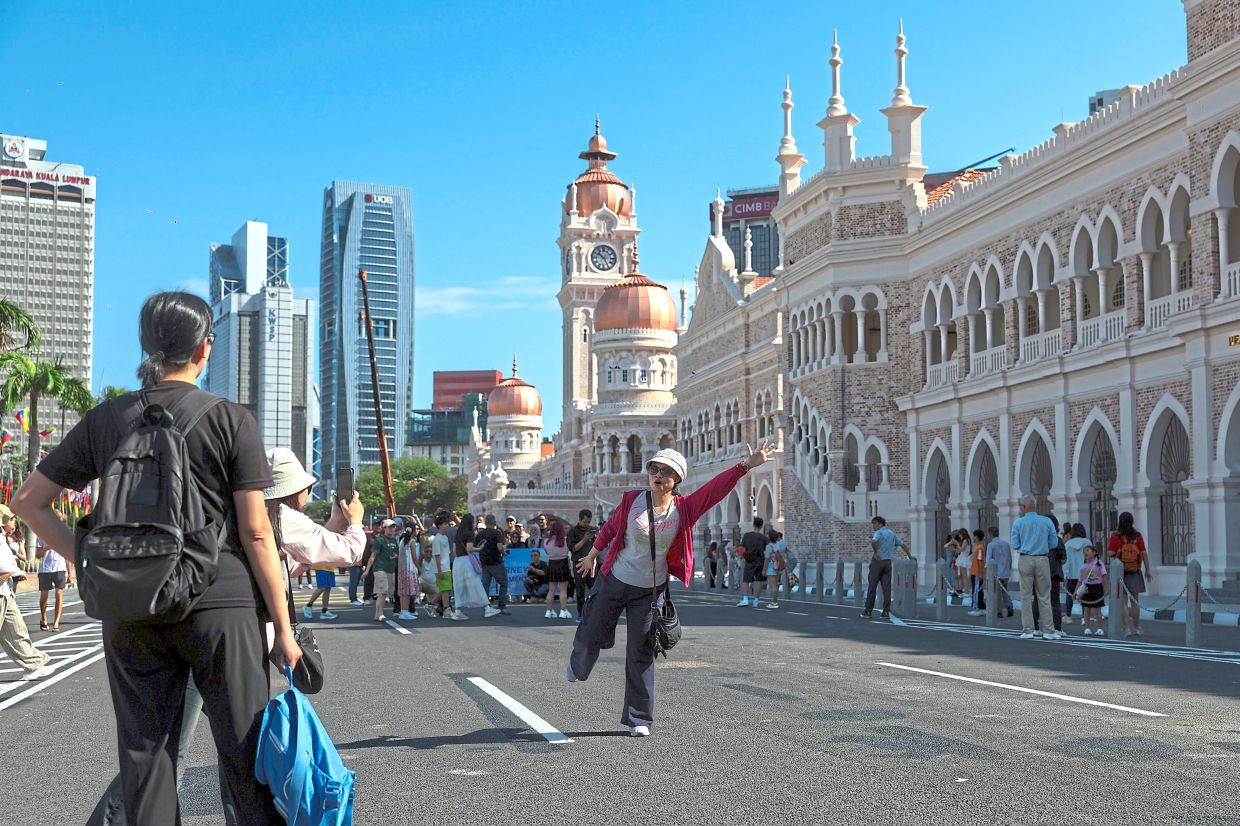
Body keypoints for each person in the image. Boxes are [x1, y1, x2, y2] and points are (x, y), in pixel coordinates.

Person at [13, 290, 299, 825]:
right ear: (204, 349)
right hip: (221, 601)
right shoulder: (230, 419)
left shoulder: (108, 419)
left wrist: (93, 561)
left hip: (132, 604)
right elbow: (257, 533)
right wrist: (283, 628)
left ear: (147, 346)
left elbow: (26, 502)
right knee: (245, 756)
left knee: (146, 758)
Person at [569, 441, 775, 737]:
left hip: (649, 591)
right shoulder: (632, 500)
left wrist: (746, 465)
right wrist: (591, 554)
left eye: (666, 471)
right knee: (592, 630)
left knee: (641, 652)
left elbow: (715, 490)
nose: (658, 474)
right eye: (654, 468)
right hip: (615, 579)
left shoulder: (684, 508)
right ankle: (579, 666)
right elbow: (612, 528)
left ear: (677, 479)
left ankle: (639, 718)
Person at [0, 512, 52, 679]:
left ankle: (33, 665)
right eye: (12, 518)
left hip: (6, 592)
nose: (14, 521)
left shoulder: (3, 538)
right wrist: (18, 571)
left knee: (17, 631)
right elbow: (4, 566)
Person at [1010, 495, 1061, 640]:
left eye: (1021, 506)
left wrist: (1026, 547)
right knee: (1044, 596)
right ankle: (1049, 631)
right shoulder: (1047, 521)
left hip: (1025, 558)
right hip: (1042, 558)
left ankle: (1028, 630)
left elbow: (1015, 544)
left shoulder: (1018, 523)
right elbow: (1053, 542)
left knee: (1026, 596)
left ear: (1024, 507)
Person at [1107, 511, 1153, 637]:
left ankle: (1126, 628)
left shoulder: (1115, 536)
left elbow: (1110, 553)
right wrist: (1148, 570)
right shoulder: (1137, 535)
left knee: (1123, 602)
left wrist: (1118, 551)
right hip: (1134, 571)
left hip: (1120, 572)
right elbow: (1143, 553)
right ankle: (1137, 627)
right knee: (1135, 601)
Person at [862, 515, 912, 619]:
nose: (873, 526)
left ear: (880, 523)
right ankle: (885, 612)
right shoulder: (891, 533)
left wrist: (875, 552)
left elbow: (874, 541)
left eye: (874, 524)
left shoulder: (878, 532)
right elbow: (902, 544)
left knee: (872, 587)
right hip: (887, 563)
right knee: (886, 589)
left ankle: (868, 611)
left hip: (877, 562)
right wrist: (910, 556)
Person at [450, 512, 490, 620]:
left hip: (457, 562)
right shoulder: (469, 533)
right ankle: (487, 608)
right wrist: (479, 548)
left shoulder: (458, 533)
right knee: (475, 583)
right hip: (466, 561)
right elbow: (469, 549)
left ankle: (458, 611)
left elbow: (454, 550)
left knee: (459, 586)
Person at [36, 510, 70, 631]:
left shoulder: (64, 534)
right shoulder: (42, 533)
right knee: (44, 596)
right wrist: (47, 548)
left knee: (59, 595)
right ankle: (44, 618)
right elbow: (37, 554)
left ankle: (56, 623)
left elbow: (67, 555)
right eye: (57, 517)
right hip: (45, 569)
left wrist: (70, 573)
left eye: (61, 518)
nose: (60, 520)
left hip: (60, 568)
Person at [361, 519, 399, 622]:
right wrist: (367, 570)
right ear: (384, 528)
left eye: (393, 527)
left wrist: (395, 556)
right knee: (382, 591)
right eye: (390, 527)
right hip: (380, 569)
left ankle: (377, 614)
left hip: (390, 569)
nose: (392, 529)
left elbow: (396, 553)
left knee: (386, 593)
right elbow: (373, 556)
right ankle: (380, 613)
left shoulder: (394, 540)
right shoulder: (380, 540)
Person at [475, 514, 509, 618]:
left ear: (485, 522)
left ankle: (487, 607)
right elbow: (499, 547)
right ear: (494, 522)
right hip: (495, 562)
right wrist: (504, 552)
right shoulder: (496, 533)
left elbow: (477, 546)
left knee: (486, 585)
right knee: (503, 582)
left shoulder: (480, 534)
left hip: (484, 562)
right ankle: (502, 606)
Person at [567, 509, 597, 622]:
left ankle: (594, 612)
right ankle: (581, 614)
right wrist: (584, 539)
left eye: (589, 522)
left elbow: (596, 545)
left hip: (590, 562)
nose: (587, 524)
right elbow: (573, 549)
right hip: (579, 563)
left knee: (594, 589)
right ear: (580, 519)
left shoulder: (592, 530)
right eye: (585, 522)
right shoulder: (572, 532)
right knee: (580, 590)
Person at [424, 515, 453, 617]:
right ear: (439, 526)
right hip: (440, 568)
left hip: (446, 567)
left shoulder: (445, 537)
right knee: (445, 589)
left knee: (445, 589)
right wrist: (439, 570)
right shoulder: (437, 539)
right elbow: (436, 555)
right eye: (445, 524)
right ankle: (446, 609)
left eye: (448, 524)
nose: (447, 526)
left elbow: (447, 553)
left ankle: (431, 604)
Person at [542, 520, 572, 618]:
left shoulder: (546, 541)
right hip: (563, 564)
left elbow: (546, 552)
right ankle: (563, 611)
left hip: (552, 564)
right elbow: (569, 551)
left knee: (551, 590)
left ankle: (548, 611)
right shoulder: (566, 540)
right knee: (563, 590)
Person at [1076, 544, 1107, 636]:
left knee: (1097, 609)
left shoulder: (1099, 564)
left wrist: (1105, 590)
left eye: (1088, 550)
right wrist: (1075, 593)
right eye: (1084, 551)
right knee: (1086, 609)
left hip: (1097, 588)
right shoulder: (1083, 567)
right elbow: (1079, 581)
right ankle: (1087, 628)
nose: (1085, 552)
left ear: (1094, 552)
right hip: (1086, 588)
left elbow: (1104, 577)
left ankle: (1100, 628)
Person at [1063, 523, 1090, 623]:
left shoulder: (1068, 544)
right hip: (1084, 574)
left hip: (1071, 574)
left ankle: (1068, 616)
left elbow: (1067, 561)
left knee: (1069, 595)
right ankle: (1084, 617)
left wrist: (1065, 574)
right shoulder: (1087, 542)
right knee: (1084, 595)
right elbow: (1090, 558)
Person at [736, 517, 767, 607]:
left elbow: (742, 547)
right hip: (760, 560)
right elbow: (766, 549)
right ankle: (756, 601)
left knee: (746, 580)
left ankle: (745, 599)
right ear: (761, 526)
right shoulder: (763, 538)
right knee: (758, 580)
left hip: (749, 560)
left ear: (753, 525)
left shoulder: (746, 535)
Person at [985, 526, 1014, 618]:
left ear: (990, 534)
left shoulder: (990, 545)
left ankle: (998, 611)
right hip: (1005, 572)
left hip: (996, 573)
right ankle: (1009, 606)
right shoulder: (1006, 544)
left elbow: (989, 560)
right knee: (1005, 590)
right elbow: (1010, 558)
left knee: (996, 592)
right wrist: (1009, 569)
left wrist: (988, 573)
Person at [396, 520, 421, 620]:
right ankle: (405, 611)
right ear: (414, 531)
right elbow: (414, 557)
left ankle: (403, 610)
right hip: (409, 569)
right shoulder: (412, 541)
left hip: (402, 569)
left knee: (403, 591)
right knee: (407, 591)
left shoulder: (402, 540)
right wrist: (419, 568)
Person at [967, 528, 987, 617]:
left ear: (976, 537)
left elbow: (979, 561)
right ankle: (981, 607)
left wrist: (979, 573)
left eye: (973, 536)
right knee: (978, 590)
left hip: (976, 573)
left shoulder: (979, 548)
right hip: (976, 572)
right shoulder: (979, 548)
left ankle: (977, 607)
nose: (972, 538)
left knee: (976, 591)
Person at [763, 531, 784, 609]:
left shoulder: (769, 546)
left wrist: (764, 570)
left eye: (767, 535)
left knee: (773, 585)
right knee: (776, 585)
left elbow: (767, 559)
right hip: (777, 565)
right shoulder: (777, 545)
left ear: (770, 537)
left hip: (771, 566)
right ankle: (775, 601)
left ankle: (774, 603)